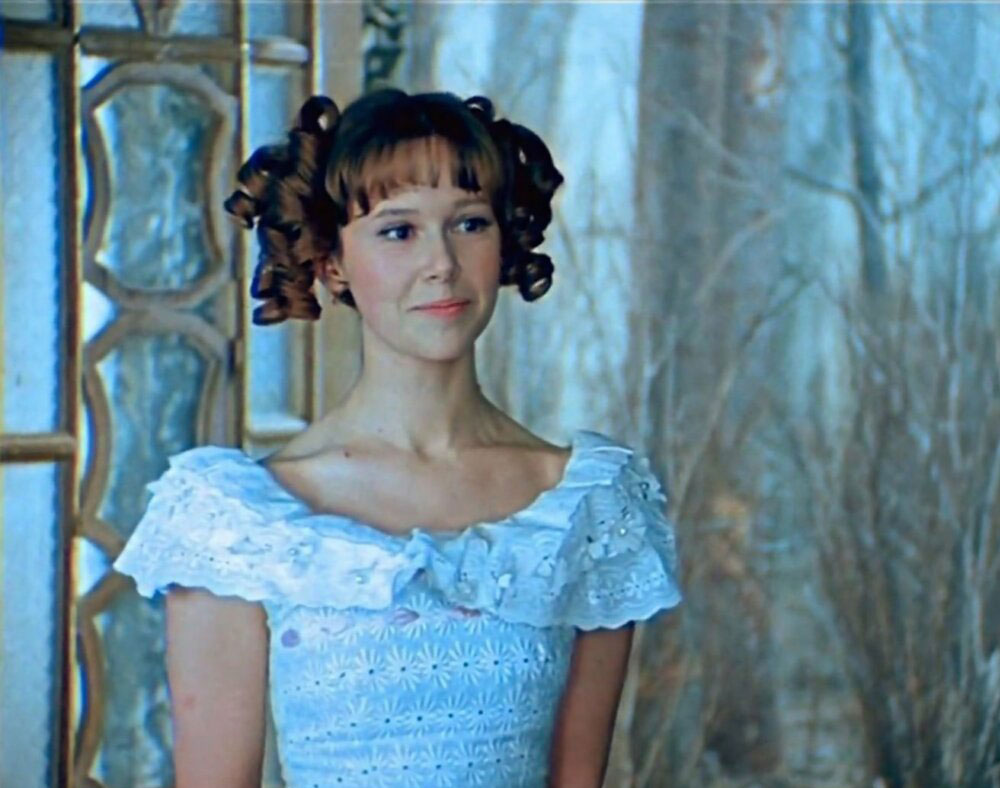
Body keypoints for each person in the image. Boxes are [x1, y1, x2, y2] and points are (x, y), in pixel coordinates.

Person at [113, 88, 682, 788]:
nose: (441, 262)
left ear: (504, 240)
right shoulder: (235, 522)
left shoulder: (585, 506)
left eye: (469, 223)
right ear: (332, 262)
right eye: (398, 231)